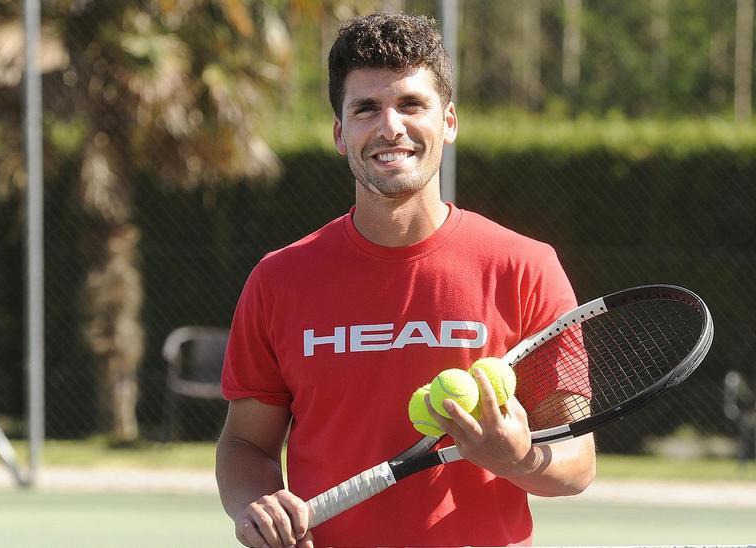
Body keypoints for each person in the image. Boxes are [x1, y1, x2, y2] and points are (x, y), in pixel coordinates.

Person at [215, 11, 596, 548]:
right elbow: (245, 445)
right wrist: (257, 504)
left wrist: (519, 459)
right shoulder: (278, 280)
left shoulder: (526, 267)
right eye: (366, 108)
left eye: (412, 104)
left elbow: (577, 464)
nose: (390, 126)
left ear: (450, 122)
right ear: (340, 133)